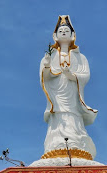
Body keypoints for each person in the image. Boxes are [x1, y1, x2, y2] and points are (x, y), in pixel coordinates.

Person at [40, 15, 98, 161]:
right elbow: (44, 77)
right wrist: (47, 64)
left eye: (67, 30)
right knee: (59, 116)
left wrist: (71, 75)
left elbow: (85, 75)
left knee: (73, 116)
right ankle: (56, 144)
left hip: (72, 92)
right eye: (61, 31)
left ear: (73, 36)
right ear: (55, 36)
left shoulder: (81, 58)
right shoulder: (49, 56)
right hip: (57, 94)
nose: (64, 32)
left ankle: (76, 142)